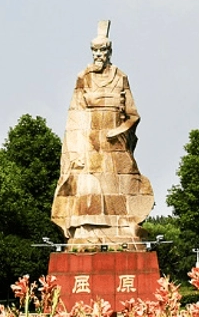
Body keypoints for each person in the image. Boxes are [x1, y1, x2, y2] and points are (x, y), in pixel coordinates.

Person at [51, 21, 154, 249]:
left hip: (116, 144)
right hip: (89, 143)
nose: (99, 55)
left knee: (121, 187)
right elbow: (74, 115)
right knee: (88, 188)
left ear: (110, 52)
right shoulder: (84, 77)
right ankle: (86, 233)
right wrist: (77, 149)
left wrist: (120, 130)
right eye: (95, 51)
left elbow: (133, 115)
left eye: (103, 50)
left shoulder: (120, 77)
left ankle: (122, 231)